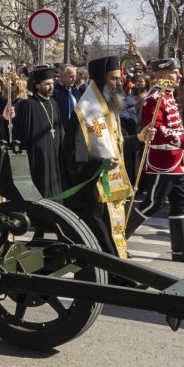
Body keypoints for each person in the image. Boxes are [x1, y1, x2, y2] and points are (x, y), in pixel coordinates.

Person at [126, 58, 184, 263]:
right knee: (153, 203)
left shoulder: (169, 95)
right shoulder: (154, 97)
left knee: (180, 203)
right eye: (175, 72)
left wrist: (183, 141)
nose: (179, 76)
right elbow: (157, 129)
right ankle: (119, 239)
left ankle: (180, 250)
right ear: (162, 75)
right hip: (163, 159)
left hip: (178, 159)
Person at [64, 56, 134, 259]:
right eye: (114, 79)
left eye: (119, 79)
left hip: (111, 184)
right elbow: (74, 155)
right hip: (93, 187)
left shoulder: (109, 108)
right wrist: (98, 163)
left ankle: (119, 272)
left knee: (111, 234)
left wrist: (137, 139)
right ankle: (116, 276)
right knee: (101, 239)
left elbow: (115, 145)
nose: (119, 83)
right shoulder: (86, 112)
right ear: (100, 79)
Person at [13, 66, 64, 198]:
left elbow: (59, 130)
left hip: (54, 155)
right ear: (37, 85)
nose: (51, 87)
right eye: (47, 84)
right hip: (37, 159)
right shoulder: (28, 105)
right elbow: (22, 135)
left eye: (52, 83)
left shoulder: (54, 103)